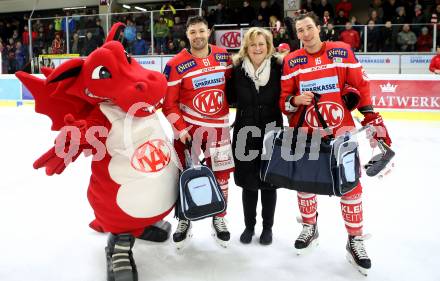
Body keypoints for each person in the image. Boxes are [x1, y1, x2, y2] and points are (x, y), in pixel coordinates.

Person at [280, 12, 392, 275]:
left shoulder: (342, 52)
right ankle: (310, 227)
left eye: (309, 27)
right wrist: (295, 101)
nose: (305, 33)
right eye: (300, 30)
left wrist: (371, 115)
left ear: (320, 27)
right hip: (307, 133)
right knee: (304, 183)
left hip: (342, 133)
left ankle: (355, 240)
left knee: (350, 187)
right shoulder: (292, 61)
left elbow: (360, 87)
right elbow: (284, 99)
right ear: (296, 34)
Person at [162, 16, 234, 249]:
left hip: (219, 130)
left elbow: (233, 88)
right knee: (183, 177)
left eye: (201, 31)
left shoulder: (224, 56)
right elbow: (168, 104)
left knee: (223, 177)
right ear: (187, 36)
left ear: (209, 31)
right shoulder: (175, 64)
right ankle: (184, 218)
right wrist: (181, 130)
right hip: (188, 133)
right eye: (193, 32)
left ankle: (219, 218)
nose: (198, 36)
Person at [227, 27, 284, 245]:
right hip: (244, 132)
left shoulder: (279, 68)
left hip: (272, 131)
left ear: (268, 46)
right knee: (248, 183)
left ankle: (267, 228)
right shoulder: (237, 70)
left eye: (261, 44)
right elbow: (229, 97)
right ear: (246, 48)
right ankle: (249, 226)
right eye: (253, 45)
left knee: (270, 182)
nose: (257, 48)